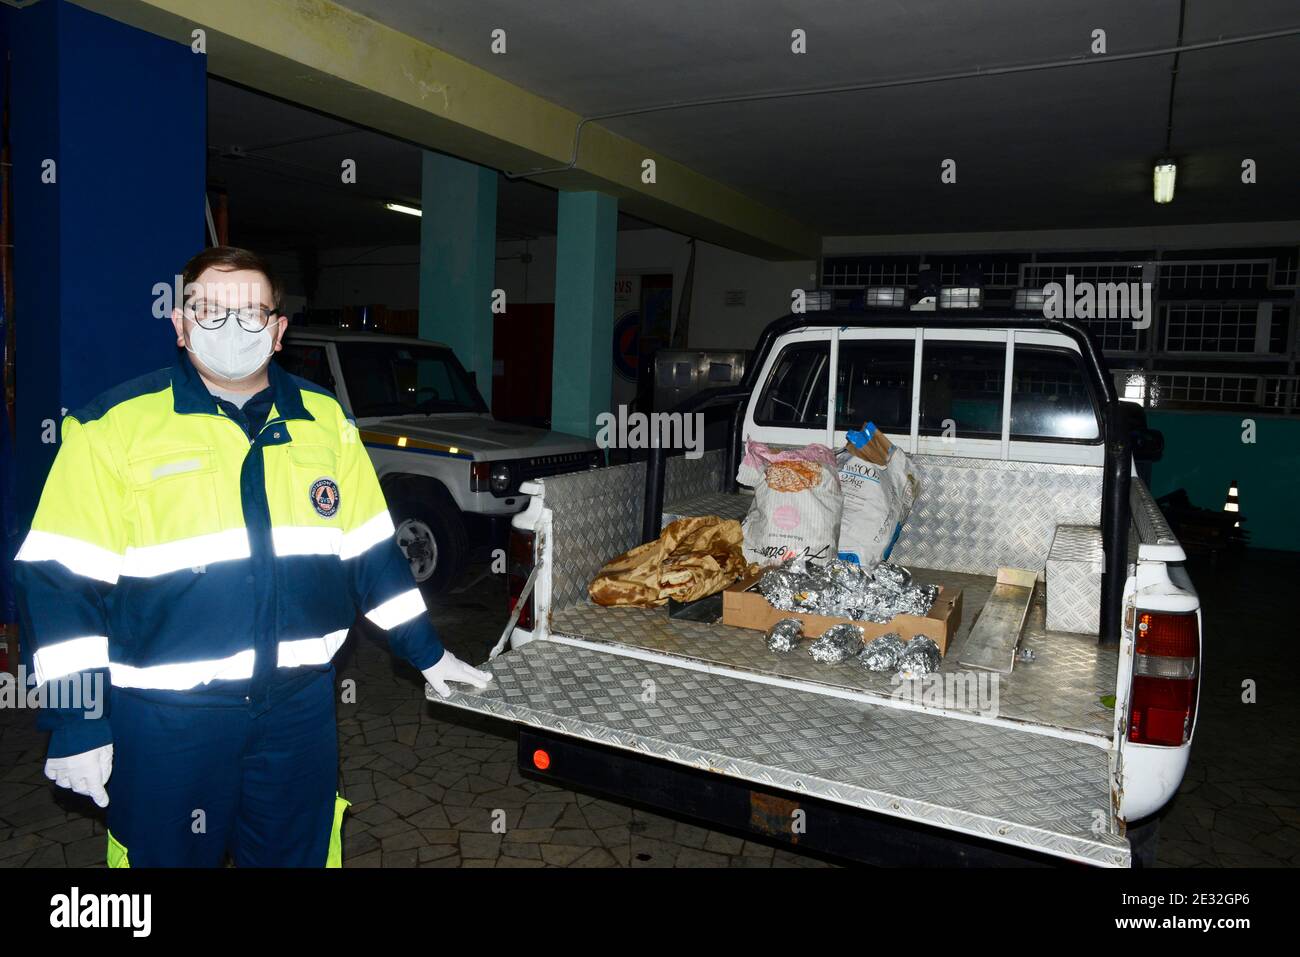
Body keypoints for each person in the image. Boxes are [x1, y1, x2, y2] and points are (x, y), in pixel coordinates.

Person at [14, 246, 492, 867]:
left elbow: (372, 555)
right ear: (180, 324)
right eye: (209, 311)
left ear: (277, 329)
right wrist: (78, 718)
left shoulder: (326, 423)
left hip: (298, 716)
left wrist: (428, 653)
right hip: (167, 726)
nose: (230, 329)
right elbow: (60, 580)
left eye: (249, 313)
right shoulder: (112, 429)